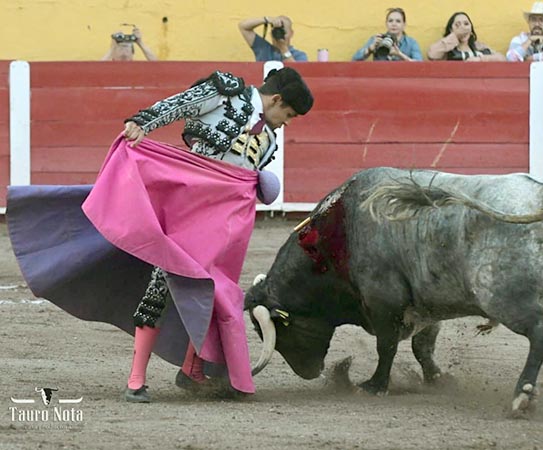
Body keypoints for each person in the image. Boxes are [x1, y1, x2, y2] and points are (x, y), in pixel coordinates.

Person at [6, 68, 313, 404]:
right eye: (289, 114)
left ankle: (192, 371)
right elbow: (181, 105)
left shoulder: (268, 138)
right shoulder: (227, 94)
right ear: (277, 99)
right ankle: (136, 379)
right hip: (185, 211)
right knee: (161, 284)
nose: (287, 122)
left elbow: (245, 174)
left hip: (224, 226)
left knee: (213, 292)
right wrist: (143, 122)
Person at [427, 12, 506, 61]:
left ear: (471, 29)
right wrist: (455, 36)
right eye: (458, 25)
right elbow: (432, 54)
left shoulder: (479, 46)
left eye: (466, 24)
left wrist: (480, 59)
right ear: (451, 29)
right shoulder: (446, 48)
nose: (463, 27)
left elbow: (501, 59)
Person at [352, 8, 422, 61]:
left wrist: (399, 54)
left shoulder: (411, 43)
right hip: (380, 77)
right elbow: (355, 59)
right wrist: (370, 49)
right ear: (386, 24)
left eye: (398, 21)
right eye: (390, 21)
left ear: (404, 25)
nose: (394, 24)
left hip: (403, 78)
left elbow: (420, 65)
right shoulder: (377, 39)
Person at [238, 15, 308, 62]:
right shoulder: (263, 48)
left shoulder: (299, 55)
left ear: (291, 33)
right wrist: (267, 20)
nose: (279, 34)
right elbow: (243, 27)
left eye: (283, 32)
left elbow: (297, 75)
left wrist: (284, 49)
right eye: (276, 31)